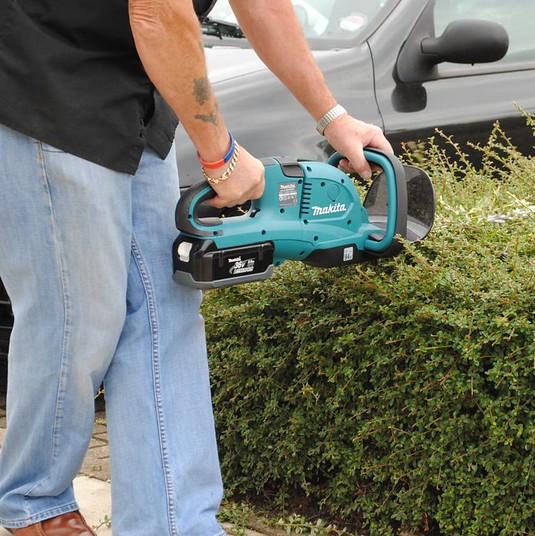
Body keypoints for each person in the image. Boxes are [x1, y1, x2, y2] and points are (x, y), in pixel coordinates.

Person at [0, 0, 392, 533]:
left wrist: (332, 116)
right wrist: (221, 156)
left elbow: (264, 5)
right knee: (77, 314)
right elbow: (158, 13)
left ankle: (175, 523)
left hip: (136, 96)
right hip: (45, 88)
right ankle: (35, 507)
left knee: (168, 313)